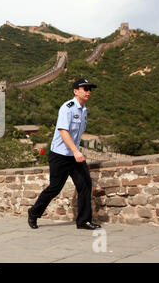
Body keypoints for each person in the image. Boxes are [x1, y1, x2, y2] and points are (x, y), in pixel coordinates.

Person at [28, 78, 102, 230]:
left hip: (74, 155)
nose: (88, 92)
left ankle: (83, 221)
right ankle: (34, 212)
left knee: (85, 184)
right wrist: (76, 151)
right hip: (60, 155)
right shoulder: (67, 108)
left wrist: (75, 151)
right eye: (85, 89)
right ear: (76, 91)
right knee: (55, 187)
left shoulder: (84, 110)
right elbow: (63, 131)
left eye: (90, 89)